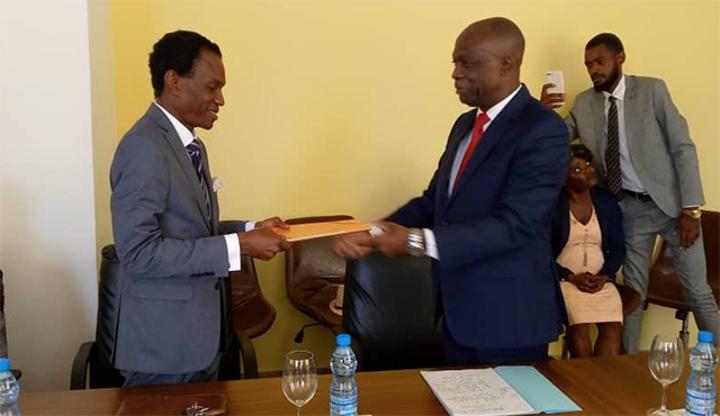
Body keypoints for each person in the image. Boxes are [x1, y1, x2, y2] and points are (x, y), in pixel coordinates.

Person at [334, 17, 569, 365]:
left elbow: (516, 224)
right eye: (455, 63)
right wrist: (373, 232)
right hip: (457, 314)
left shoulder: (543, 129)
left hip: (508, 321)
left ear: (507, 64)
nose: (455, 74)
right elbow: (435, 203)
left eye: (467, 63)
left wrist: (415, 241)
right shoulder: (465, 125)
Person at [110, 30, 289, 387]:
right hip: (163, 350)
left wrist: (249, 229)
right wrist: (240, 245)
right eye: (212, 87)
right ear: (174, 81)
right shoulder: (143, 148)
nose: (221, 99)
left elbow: (191, 231)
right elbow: (138, 254)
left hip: (201, 338)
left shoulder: (191, 146)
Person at [541, 33, 719, 352]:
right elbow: (554, 139)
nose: (593, 70)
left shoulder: (652, 90)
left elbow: (682, 147)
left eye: (600, 62)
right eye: (588, 65)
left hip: (673, 208)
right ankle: (628, 366)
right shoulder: (584, 103)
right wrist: (541, 111)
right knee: (634, 294)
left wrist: (691, 209)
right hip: (630, 209)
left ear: (620, 58)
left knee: (697, 291)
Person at [552, 144, 626, 358]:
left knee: (613, 327)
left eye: (587, 164)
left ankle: (602, 376)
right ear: (563, 179)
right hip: (565, 281)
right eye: (577, 169)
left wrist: (605, 276)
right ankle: (583, 375)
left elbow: (618, 248)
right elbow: (542, 252)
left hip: (601, 279)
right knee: (579, 325)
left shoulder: (607, 202)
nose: (587, 170)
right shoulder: (553, 205)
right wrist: (569, 277)